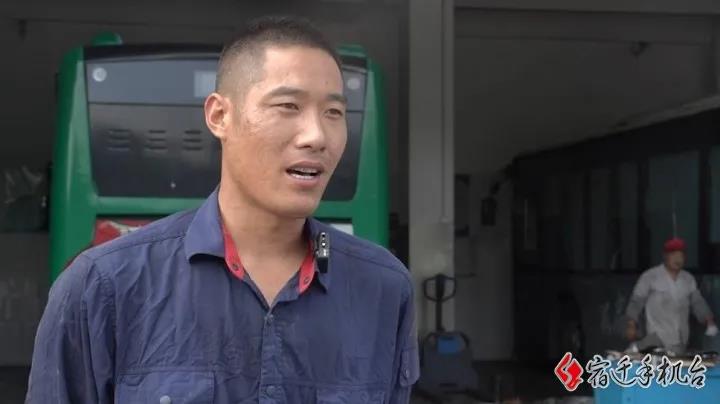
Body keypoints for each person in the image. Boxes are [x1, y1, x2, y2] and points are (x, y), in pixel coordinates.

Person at [26, 16, 419, 403]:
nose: (317, 136)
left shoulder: (384, 288)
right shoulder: (102, 286)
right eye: (288, 106)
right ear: (219, 116)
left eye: (334, 113)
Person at [625, 237, 717, 354]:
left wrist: (709, 320)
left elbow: (697, 302)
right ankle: (634, 350)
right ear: (665, 256)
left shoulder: (688, 279)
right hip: (656, 338)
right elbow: (637, 301)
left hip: (681, 340)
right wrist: (631, 324)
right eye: (673, 255)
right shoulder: (650, 276)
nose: (677, 259)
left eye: (681, 256)